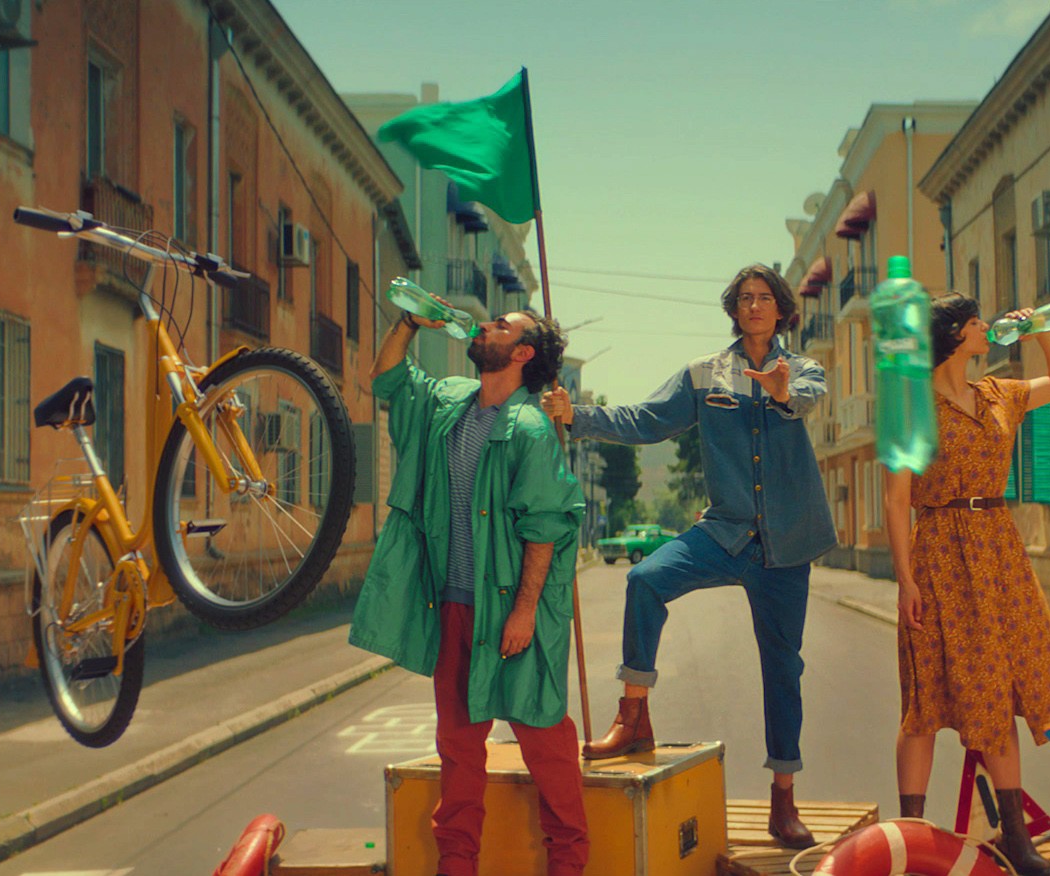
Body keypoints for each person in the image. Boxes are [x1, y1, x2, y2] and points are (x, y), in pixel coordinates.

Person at [538, 263, 836, 848]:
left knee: (783, 670)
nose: (754, 305)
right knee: (646, 579)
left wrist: (780, 390)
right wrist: (577, 415)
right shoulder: (704, 374)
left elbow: (804, 399)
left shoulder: (802, 369)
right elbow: (647, 420)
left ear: (781, 310)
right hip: (725, 532)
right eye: (744, 297)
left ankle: (783, 800)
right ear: (734, 309)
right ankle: (633, 717)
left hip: (786, 543)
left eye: (764, 297)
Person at [351, 305, 586, 876]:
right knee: (457, 745)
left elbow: (545, 529)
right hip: (455, 604)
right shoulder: (449, 403)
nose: (483, 327)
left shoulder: (530, 429)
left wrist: (524, 612)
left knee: (544, 740)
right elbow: (388, 379)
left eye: (500, 326)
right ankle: (456, 864)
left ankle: (569, 862)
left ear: (523, 353)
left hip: (513, 610)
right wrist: (409, 322)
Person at [882, 294, 1050, 876]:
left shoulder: (999, 393)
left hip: (997, 550)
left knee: (996, 689)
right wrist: (905, 579)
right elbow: (896, 500)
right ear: (953, 336)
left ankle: (1016, 838)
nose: (985, 328)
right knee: (924, 698)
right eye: (975, 323)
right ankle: (911, 837)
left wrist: (1040, 331)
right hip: (939, 551)